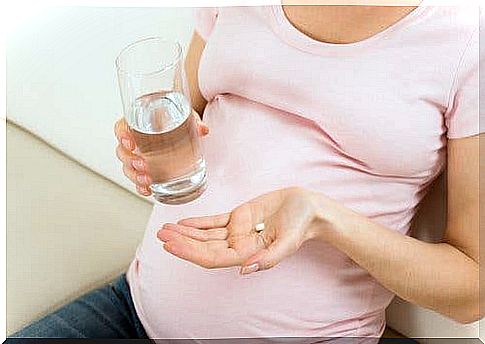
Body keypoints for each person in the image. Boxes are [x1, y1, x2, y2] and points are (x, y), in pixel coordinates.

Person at [12, 2, 481, 342]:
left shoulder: (466, 39)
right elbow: (182, 115)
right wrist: (141, 149)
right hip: (131, 311)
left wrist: (321, 217)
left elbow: (471, 291)